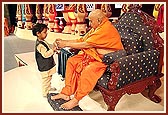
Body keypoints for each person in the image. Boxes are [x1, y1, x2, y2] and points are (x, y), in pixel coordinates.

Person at [51, 9, 124, 110]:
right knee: (72, 61)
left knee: (88, 70)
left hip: (105, 60)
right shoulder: (97, 28)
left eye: (91, 21)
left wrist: (65, 44)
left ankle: (76, 100)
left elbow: (86, 44)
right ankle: (66, 93)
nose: (89, 23)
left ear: (99, 20)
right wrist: (62, 41)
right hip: (93, 55)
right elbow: (82, 40)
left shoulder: (106, 29)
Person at [32, 23, 58, 97]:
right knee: (46, 79)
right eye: (44, 32)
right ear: (38, 33)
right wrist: (52, 50)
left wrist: (53, 49)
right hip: (44, 66)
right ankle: (45, 93)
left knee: (49, 78)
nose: (46, 34)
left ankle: (48, 88)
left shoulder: (42, 41)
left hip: (47, 65)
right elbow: (45, 54)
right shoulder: (39, 45)